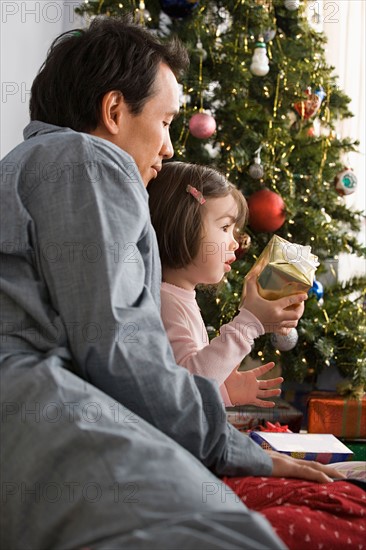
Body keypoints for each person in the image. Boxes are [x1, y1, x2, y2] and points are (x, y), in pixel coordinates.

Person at [1, 15, 364, 550]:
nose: (170, 148)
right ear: (115, 110)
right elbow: (122, 353)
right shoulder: (87, 159)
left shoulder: (31, 162)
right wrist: (248, 455)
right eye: (167, 121)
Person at [148, 160, 287, 407]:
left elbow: (192, 385)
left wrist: (224, 394)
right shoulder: (165, 303)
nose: (236, 243)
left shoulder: (179, 296)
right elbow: (189, 387)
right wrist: (248, 323)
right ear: (183, 225)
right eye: (225, 227)